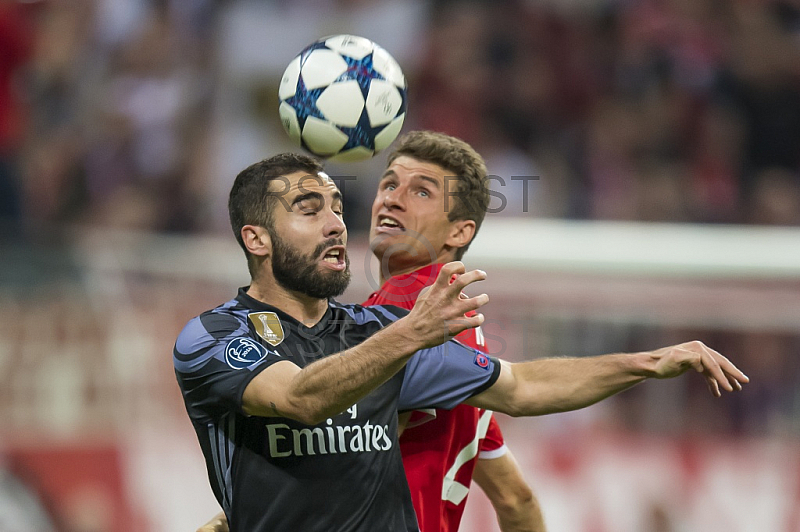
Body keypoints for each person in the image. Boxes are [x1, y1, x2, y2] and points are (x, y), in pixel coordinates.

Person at [174, 152, 747, 532]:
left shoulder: (374, 332)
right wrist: (411, 334)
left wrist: (649, 362)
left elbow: (521, 385)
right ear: (256, 238)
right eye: (308, 210)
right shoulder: (213, 336)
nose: (336, 224)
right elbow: (301, 398)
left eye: (336, 208)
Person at [197, 130, 544, 532]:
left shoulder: (396, 320)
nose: (392, 198)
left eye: (422, 192)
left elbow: (331, 456)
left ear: (459, 233)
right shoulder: (465, 363)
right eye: (390, 183)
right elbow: (517, 499)